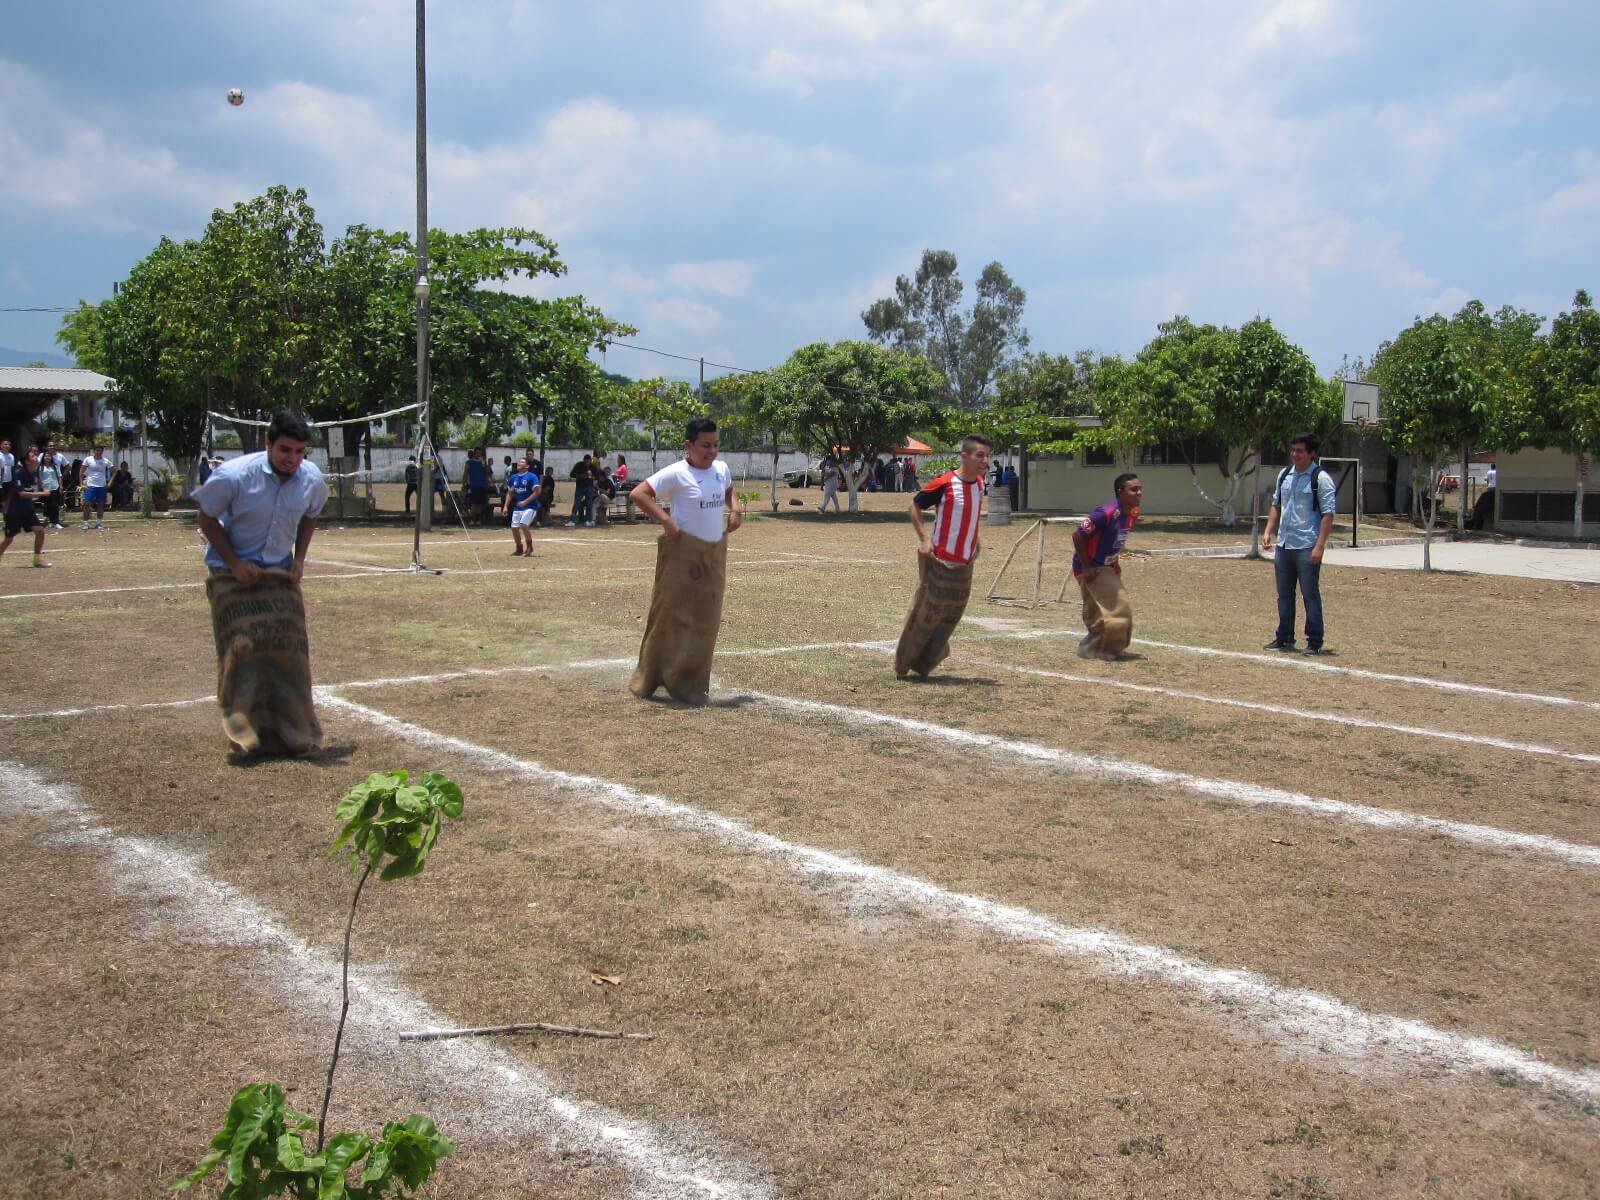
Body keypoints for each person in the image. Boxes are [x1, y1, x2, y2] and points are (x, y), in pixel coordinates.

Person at [194, 411, 329, 757]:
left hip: (278, 575)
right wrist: (235, 562)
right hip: (230, 575)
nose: (292, 460)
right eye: (285, 450)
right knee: (239, 656)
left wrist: (299, 559)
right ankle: (242, 740)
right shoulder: (233, 476)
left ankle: (296, 735)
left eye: (300, 452)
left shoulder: (311, 479)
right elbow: (206, 518)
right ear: (267, 443)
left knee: (291, 656)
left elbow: (311, 515)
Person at [627, 417, 743, 705]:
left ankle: (689, 685)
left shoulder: (721, 470)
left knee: (706, 620)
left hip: (713, 555)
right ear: (689, 445)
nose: (712, 451)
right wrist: (666, 521)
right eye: (705, 445)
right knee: (668, 615)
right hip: (681, 553)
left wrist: (736, 509)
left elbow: (729, 490)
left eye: (716, 445)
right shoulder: (676, 473)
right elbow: (638, 494)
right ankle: (648, 678)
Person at [895, 435, 992, 678]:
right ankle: (903, 664)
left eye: (987, 455)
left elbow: (970, 516)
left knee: (949, 619)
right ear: (964, 456)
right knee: (924, 615)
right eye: (980, 455)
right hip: (940, 562)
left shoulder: (980, 484)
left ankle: (924, 663)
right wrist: (925, 539)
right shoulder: (946, 483)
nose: (985, 460)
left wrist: (974, 540)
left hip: (965, 565)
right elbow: (914, 506)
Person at [1261, 431, 1337, 656]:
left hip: (1306, 545)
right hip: (1285, 545)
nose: (1295, 454)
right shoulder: (1285, 475)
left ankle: (1314, 641)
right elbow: (1276, 505)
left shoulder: (1321, 479)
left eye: (1300, 451)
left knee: (1310, 595)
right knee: (1284, 595)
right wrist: (1268, 531)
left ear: (1312, 453)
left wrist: (1319, 546)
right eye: (1293, 450)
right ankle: (1284, 637)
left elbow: (1328, 515)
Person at [1072, 473, 1143, 660]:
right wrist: (1086, 568)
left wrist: (1114, 562)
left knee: (1097, 610)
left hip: (1107, 567)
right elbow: (1077, 536)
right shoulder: (1105, 513)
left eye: (1140, 489)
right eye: (1133, 489)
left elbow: (1115, 540)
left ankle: (1093, 648)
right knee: (1119, 609)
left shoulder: (1133, 512)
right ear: (1120, 492)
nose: (1139, 493)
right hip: (1093, 568)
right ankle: (1104, 651)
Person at [0, 446, 51, 567]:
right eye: (33, 456)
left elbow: (33, 489)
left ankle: (37, 560)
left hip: (27, 510)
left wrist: (41, 489)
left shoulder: (33, 473)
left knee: (40, 531)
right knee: (9, 539)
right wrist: (42, 493)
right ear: (27, 461)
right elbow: (21, 494)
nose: (36, 457)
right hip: (14, 511)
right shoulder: (19, 473)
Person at [503, 456, 540, 556]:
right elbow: (510, 493)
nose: (519, 463)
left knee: (523, 524)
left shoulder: (532, 477)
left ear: (527, 466)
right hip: (518, 507)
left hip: (530, 506)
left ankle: (530, 547)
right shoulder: (513, 477)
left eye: (522, 462)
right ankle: (519, 548)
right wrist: (506, 506)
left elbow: (537, 492)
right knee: (514, 528)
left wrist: (526, 502)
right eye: (519, 462)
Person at [81, 444, 113, 529]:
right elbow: (81, 472)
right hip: (90, 484)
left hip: (101, 485)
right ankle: (85, 523)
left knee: (101, 504)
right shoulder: (88, 459)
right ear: (94, 451)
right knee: (87, 503)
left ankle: (98, 523)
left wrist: (109, 482)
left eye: (100, 451)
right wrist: (82, 484)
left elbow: (114, 471)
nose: (99, 452)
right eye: (97, 450)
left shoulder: (105, 461)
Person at [37, 447, 63, 530]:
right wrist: (41, 488)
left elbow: (59, 476)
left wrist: (61, 486)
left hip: (54, 487)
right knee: (47, 506)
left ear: (51, 457)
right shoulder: (40, 467)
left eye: (49, 456)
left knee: (55, 505)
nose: (47, 458)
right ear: (43, 458)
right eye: (45, 456)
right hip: (45, 489)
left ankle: (56, 522)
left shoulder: (55, 466)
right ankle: (51, 522)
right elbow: (39, 479)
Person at [566, 454, 596, 527]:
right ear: (583, 460)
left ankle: (589, 520)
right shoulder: (579, 465)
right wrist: (579, 475)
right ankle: (572, 520)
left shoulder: (593, 467)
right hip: (580, 486)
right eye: (586, 461)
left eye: (588, 462)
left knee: (589, 503)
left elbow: (597, 476)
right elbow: (571, 474)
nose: (587, 463)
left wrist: (591, 477)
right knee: (576, 503)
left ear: (590, 461)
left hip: (589, 486)